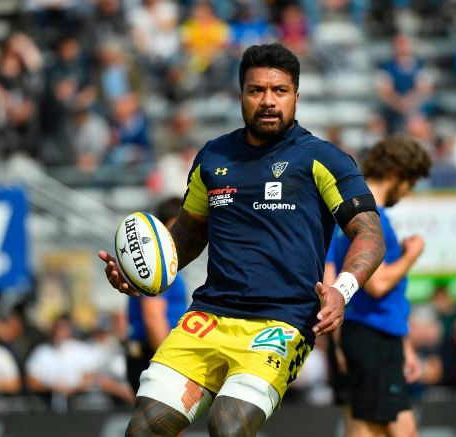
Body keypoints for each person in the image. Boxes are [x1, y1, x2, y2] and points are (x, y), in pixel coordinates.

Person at [98, 43, 385, 437]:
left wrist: (342, 290)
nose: (268, 101)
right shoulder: (213, 157)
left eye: (279, 91)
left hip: (281, 322)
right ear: (241, 96)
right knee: (145, 428)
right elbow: (187, 234)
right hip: (209, 315)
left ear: (296, 97)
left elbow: (369, 234)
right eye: (256, 91)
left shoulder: (323, 159)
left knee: (228, 425)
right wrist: (142, 272)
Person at [324, 135, 431, 437]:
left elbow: (331, 274)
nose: (408, 192)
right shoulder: (374, 220)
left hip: (366, 335)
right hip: (372, 334)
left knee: (363, 426)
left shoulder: (345, 215)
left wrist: (404, 345)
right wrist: (412, 254)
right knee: (398, 430)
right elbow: (378, 284)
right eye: (410, 182)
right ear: (397, 174)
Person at [125, 197, 188, 393]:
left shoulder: (166, 266)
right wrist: (171, 365)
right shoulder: (158, 267)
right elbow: (153, 320)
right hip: (152, 354)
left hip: (150, 353)